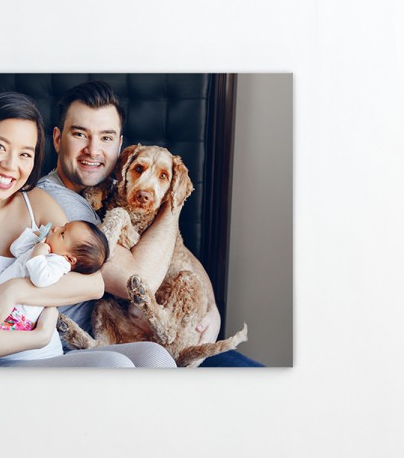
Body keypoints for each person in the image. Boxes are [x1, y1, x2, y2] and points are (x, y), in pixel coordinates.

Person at [0, 91, 177, 368]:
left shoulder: (35, 203)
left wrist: (15, 290)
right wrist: (36, 338)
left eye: (25, 154)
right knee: (113, 366)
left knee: (154, 357)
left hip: (50, 357)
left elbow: (94, 283)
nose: (11, 165)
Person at [37, 80, 261, 367]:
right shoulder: (58, 201)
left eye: (106, 138)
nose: (93, 150)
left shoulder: (118, 187)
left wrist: (211, 308)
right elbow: (137, 282)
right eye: (80, 134)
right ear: (58, 139)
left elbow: (179, 253)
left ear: (120, 145)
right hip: (102, 344)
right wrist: (172, 201)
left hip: (161, 336)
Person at [0, 220, 108, 332]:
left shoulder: (59, 263)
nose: (56, 228)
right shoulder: (45, 251)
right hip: (4, 304)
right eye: (63, 226)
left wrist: (38, 253)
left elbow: (41, 279)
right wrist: (35, 237)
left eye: (62, 233)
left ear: (69, 259)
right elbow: (16, 249)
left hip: (16, 316)